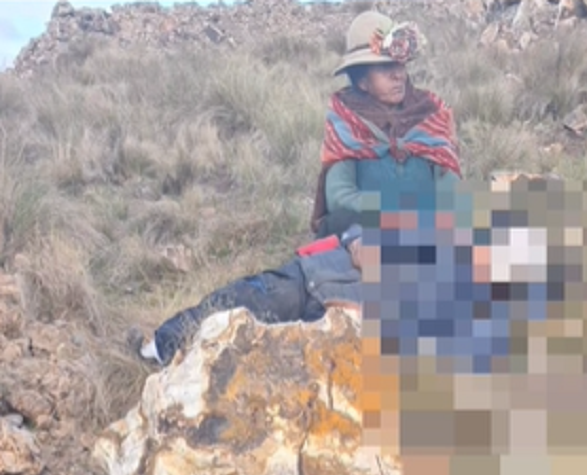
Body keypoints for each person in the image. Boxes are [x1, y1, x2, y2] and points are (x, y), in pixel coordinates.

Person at [310, 9, 463, 252]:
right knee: (340, 227)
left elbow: (449, 184)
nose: (398, 75)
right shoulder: (346, 120)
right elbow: (340, 197)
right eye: (385, 68)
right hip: (367, 233)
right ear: (362, 81)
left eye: (399, 65)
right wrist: (393, 213)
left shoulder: (430, 112)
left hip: (428, 229)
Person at [128, 212, 366, 366]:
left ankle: (166, 356)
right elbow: (356, 237)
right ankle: (164, 351)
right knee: (233, 317)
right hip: (311, 286)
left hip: (323, 309)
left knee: (234, 322)